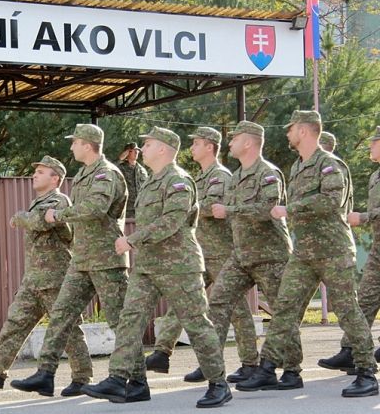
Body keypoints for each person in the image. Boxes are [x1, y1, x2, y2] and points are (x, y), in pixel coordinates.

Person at [81, 126, 232, 408]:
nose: (142, 149)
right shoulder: (150, 182)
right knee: (129, 319)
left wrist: (132, 240)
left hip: (179, 266)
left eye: (148, 144)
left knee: (196, 323)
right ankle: (125, 380)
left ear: (163, 149)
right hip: (148, 265)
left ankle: (218, 383)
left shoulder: (179, 181)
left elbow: (171, 221)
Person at [237, 111, 378, 398]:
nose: (287, 133)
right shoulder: (297, 166)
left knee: (347, 310)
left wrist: (290, 209)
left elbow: (332, 200)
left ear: (303, 130)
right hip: (304, 252)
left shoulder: (329, 164)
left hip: (333, 251)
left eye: (291, 129)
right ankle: (270, 368)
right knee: (285, 307)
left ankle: (366, 372)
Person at [10, 123, 131, 397]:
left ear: (87, 145)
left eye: (75, 142)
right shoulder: (84, 174)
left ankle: (134, 379)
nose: (71, 146)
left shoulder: (106, 173)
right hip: (82, 258)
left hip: (106, 259)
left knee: (119, 321)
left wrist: (59, 215)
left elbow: (95, 208)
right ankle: (46, 374)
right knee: (61, 315)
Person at [0, 156, 92, 396]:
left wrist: (19, 216)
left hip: (55, 279)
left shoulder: (59, 200)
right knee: (15, 323)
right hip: (34, 280)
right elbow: (37, 219)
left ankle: (82, 378)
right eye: (36, 171)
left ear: (55, 179)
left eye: (41, 172)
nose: (35, 175)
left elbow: (40, 222)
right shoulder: (38, 202)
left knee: (68, 329)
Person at [146, 127, 259, 384]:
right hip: (201, 252)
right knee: (183, 302)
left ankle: (250, 363)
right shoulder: (198, 177)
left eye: (196, 143)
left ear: (210, 147)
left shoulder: (220, 176)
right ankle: (163, 352)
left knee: (236, 310)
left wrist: (185, 206)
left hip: (221, 253)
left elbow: (215, 208)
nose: (192, 148)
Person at [193, 121, 300, 389]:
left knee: (281, 311)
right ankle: (213, 366)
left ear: (249, 142)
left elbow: (267, 209)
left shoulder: (268, 173)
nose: (230, 143)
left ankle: (291, 370)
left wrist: (230, 210)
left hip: (270, 255)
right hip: (241, 255)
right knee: (218, 302)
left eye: (235, 138)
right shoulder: (237, 176)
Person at [319, 127, 380, 372]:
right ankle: (351, 350)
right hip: (378, 246)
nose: (370, 146)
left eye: (374, 142)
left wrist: (364, 217)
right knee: (365, 298)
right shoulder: (375, 176)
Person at [116, 142, 148, 218]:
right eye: (133, 150)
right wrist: (119, 159)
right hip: (125, 209)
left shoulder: (142, 170)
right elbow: (109, 171)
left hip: (140, 209)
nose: (136, 152)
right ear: (127, 153)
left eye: (137, 150)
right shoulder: (120, 167)